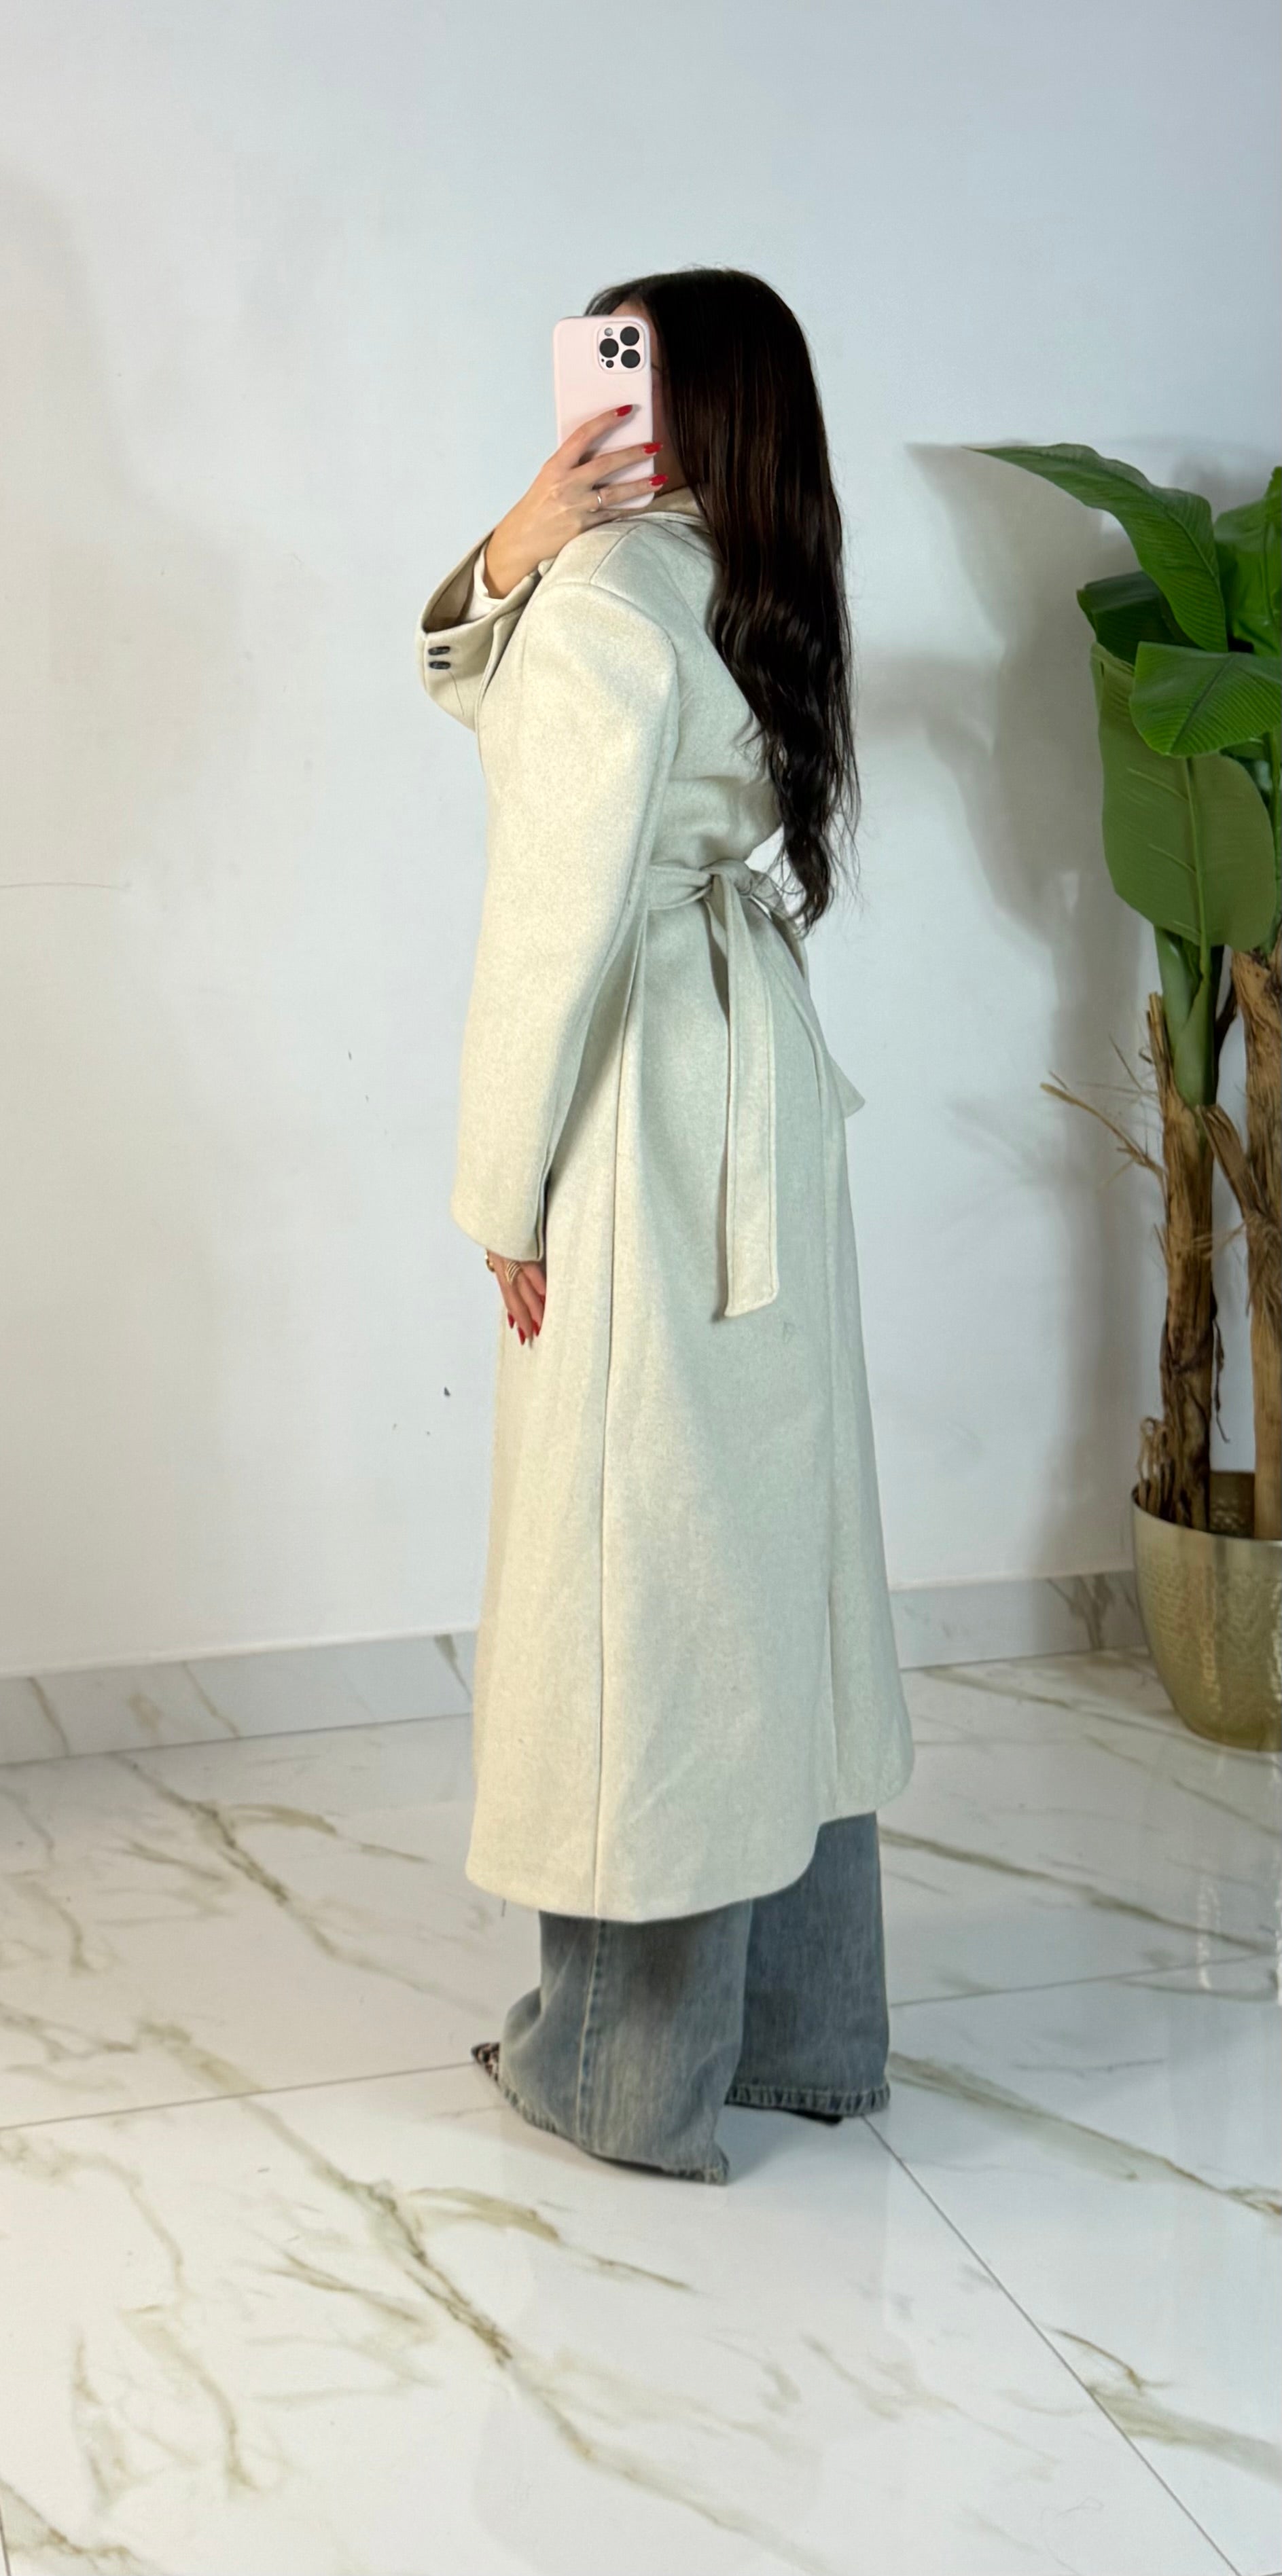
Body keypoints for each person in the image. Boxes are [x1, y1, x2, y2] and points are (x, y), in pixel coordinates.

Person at [418, 266, 913, 2185]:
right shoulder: (748, 579)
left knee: (635, 1579)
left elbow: (551, 918)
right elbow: (489, 689)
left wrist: (504, 1184)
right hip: (758, 1080)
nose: (593, 402)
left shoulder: (610, 603)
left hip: (642, 1102)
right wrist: (509, 550)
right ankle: (806, 2032)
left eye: (626, 368)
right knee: (770, 1552)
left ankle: (624, 2071)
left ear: (683, 401)